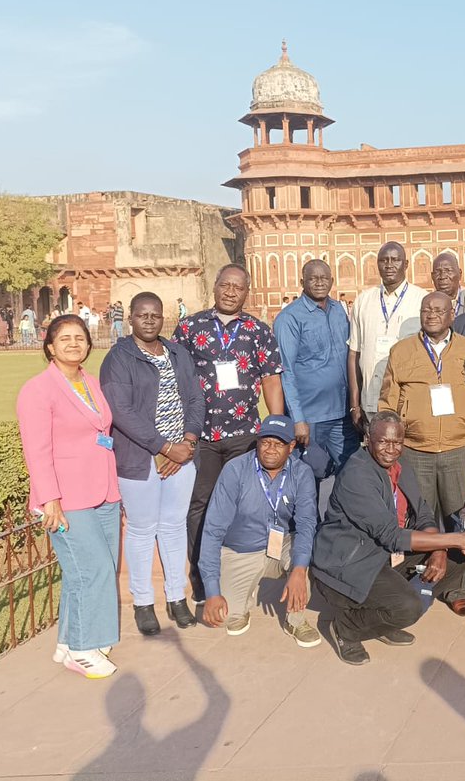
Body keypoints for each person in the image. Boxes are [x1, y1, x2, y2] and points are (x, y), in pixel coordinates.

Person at [311, 412, 465, 666]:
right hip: (347, 563)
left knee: (455, 560)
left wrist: (441, 550)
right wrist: (458, 539)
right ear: (368, 440)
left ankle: (382, 614)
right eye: (383, 442)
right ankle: (347, 629)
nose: (391, 450)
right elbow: (392, 536)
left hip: (381, 554)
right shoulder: (357, 474)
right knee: (408, 608)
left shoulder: (399, 465)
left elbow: (423, 512)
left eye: (397, 443)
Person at [172, 263, 284, 607]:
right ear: (215, 287)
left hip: (243, 434)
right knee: (200, 507)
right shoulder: (190, 328)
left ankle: (241, 575)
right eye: (225, 285)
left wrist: (277, 428)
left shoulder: (258, 331)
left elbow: (270, 379)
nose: (231, 292)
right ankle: (203, 579)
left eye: (238, 287)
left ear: (246, 292)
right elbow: (174, 379)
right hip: (202, 434)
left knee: (245, 506)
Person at [16, 314, 120, 679]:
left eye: (80, 338)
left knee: (83, 573)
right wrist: (50, 499)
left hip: (103, 488)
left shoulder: (91, 383)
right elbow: (37, 450)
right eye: (65, 339)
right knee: (94, 569)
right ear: (49, 346)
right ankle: (82, 649)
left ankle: (68, 640)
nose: (74, 343)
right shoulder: (38, 390)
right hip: (65, 495)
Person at [100, 292, 204, 636]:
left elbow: (194, 397)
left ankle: (176, 598)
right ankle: (143, 603)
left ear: (164, 319)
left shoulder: (177, 353)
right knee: (143, 530)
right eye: (142, 315)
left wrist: (186, 442)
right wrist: (163, 447)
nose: (149, 320)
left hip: (180, 456)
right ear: (130, 318)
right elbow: (122, 412)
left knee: (174, 527)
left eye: (155, 315)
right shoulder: (120, 358)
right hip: (140, 458)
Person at [378, 291, 465, 616]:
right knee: (418, 519)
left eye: (439, 310)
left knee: (460, 519)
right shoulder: (402, 351)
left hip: (459, 448)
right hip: (416, 450)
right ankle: (418, 578)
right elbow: (387, 401)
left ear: (453, 315)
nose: (432, 314)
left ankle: (456, 587)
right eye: (426, 310)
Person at [198, 415, 322, 646]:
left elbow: (306, 524)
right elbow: (212, 530)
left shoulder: (302, 473)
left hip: (282, 543)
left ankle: (295, 620)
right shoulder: (235, 470)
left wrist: (299, 569)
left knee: (308, 552)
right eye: (265, 442)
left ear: (291, 446)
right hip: (241, 550)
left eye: (278, 444)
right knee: (226, 617)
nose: (270, 450)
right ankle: (245, 595)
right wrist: (212, 591)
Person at [275, 260, 359, 499]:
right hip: (311, 417)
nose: (320, 282)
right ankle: (307, 531)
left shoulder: (339, 311)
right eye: (313, 278)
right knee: (307, 479)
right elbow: (287, 371)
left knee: (351, 474)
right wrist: (298, 419)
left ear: (332, 281)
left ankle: (343, 529)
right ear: (302, 282)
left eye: (324, 277)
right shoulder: (290, 318)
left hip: (341, 414)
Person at [348, 242, 428, 428]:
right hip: (371, 400)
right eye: (384, 260)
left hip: (409, 403)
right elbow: (354, 354)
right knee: (375, 453)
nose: (389, 265)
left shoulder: (421, 300)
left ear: (406, 264)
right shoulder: (363, 301)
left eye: (395, 260)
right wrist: (354, 405)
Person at [431, 251, 465, 315]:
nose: (442, 276)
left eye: (448, 271)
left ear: (460, 274)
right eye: (437, 272)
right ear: (432, 277)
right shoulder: (428, 304)